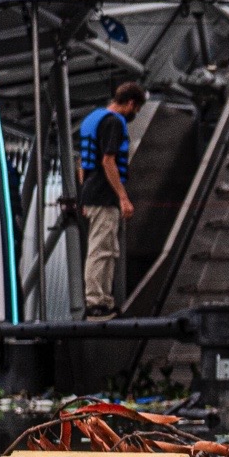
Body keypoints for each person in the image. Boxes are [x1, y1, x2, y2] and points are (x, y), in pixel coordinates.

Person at [77, 82, 147, 318]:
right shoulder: (114, 122)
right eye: (136, 110)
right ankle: (96, 302)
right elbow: (108, 161)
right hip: (104, 196)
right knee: (101, 250)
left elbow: (82, 163)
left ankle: (104, 301)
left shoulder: (93, 118)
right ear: (130, 104)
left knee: (107, 248)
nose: (134, 115)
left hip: (92, 193)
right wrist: (123, 197)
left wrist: (84, 194)